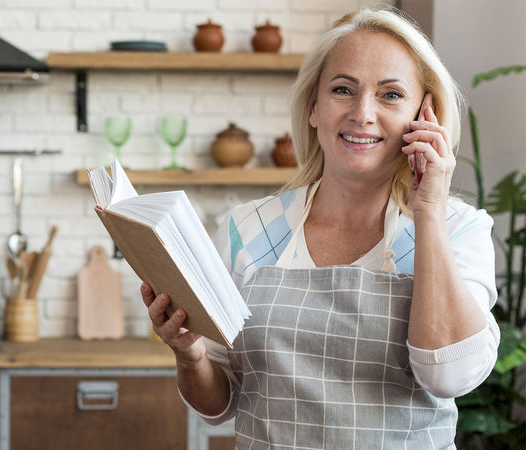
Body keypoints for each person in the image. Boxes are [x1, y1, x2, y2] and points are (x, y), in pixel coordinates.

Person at [141, 7, 500, 449]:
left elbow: (450, 376)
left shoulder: (459, 230)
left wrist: (429, 210)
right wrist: (190, 353)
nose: (363, 113)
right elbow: (219, 404)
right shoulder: (246, 229)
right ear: (314, 106)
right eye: (343, 89)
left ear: (424, 116)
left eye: (390, 95)